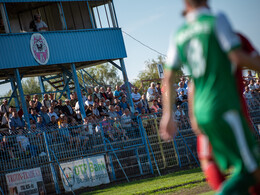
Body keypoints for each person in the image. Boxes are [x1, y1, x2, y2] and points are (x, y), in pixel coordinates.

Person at [160, 0, 260, 194]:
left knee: (215, 161)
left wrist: (168, 115)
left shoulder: (179, 33)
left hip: (201, 110)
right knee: (252, 169)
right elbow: (238, 56)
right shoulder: (217, 21)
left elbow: (171, 77)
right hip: (225, 106)